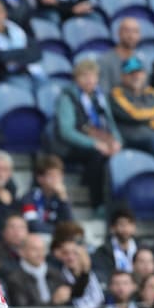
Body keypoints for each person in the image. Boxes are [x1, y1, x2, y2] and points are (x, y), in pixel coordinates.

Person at [48, 59, 121, 207]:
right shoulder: (68, 97)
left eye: (93, 76)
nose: (89, 80)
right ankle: (97, 203)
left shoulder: (100, 97)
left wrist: (117, 142)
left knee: (116, 155)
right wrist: (95, 144)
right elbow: (66, 132)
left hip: (99, 141)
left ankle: (117, 202)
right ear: (76, 79)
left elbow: (111, 124)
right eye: (84, 76)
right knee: (99, 155)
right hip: (69, 146)